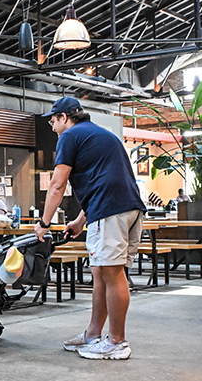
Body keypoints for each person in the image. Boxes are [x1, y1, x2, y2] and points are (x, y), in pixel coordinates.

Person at [34, 96, 146, 361]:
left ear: (64, 118)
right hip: (127, 208)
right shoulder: (100, 135)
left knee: (112, 273)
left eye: (53, 120)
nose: (51, 126)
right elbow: (106, 181)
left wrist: (44, 223)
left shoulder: (70, 137)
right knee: (100, 272)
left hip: (111, 212)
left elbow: (57, 184)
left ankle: (117, 342)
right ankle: (93, 335)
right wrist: (80, 221)